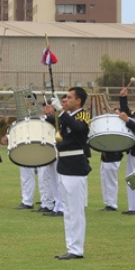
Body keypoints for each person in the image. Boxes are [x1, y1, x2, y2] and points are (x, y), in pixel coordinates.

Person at [43, 87, 91, 259]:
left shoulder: (82, 115)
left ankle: (77, 249)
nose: (65, 100)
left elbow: (79, 129)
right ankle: (71, 246)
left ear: (78, 101)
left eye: (69, 98)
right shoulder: (66, 117)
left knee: (75, 210)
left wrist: (62, 112)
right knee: (68, 210)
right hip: (64, 164)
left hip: (75, 165)